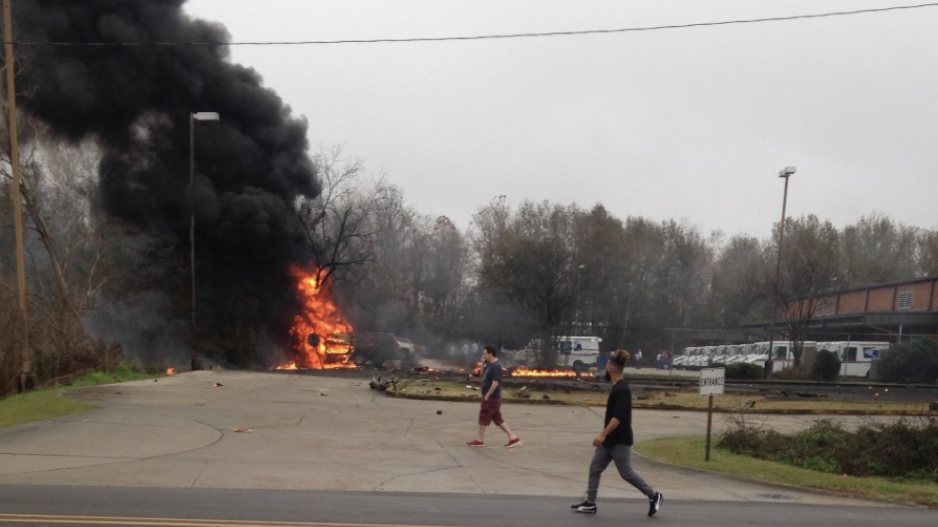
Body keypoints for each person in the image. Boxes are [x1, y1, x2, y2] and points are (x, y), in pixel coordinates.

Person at [571, 350, 663, 517]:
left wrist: (602, 435)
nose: (605, 369)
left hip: (619, 439)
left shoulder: (621, 390)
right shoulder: (617, 388)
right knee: (595, 468)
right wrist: (605, 437)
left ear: (612, 368)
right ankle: (590, 503)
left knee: (626, 472)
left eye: (607, 366)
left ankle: (654, 495)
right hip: (610, 440)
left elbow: (619, 417)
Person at [467, 345, 522, 448]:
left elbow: (495, 383)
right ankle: (513, 438)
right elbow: (482, 375)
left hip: (492, 398)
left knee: (484, 416)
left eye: (485, 353)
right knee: (497, 418)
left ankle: (479, 440)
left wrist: (487, 396)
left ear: (490, 353)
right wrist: (483, 362)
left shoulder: (496, 366)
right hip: (491, 397)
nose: (483, 355)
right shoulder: (489, 365)